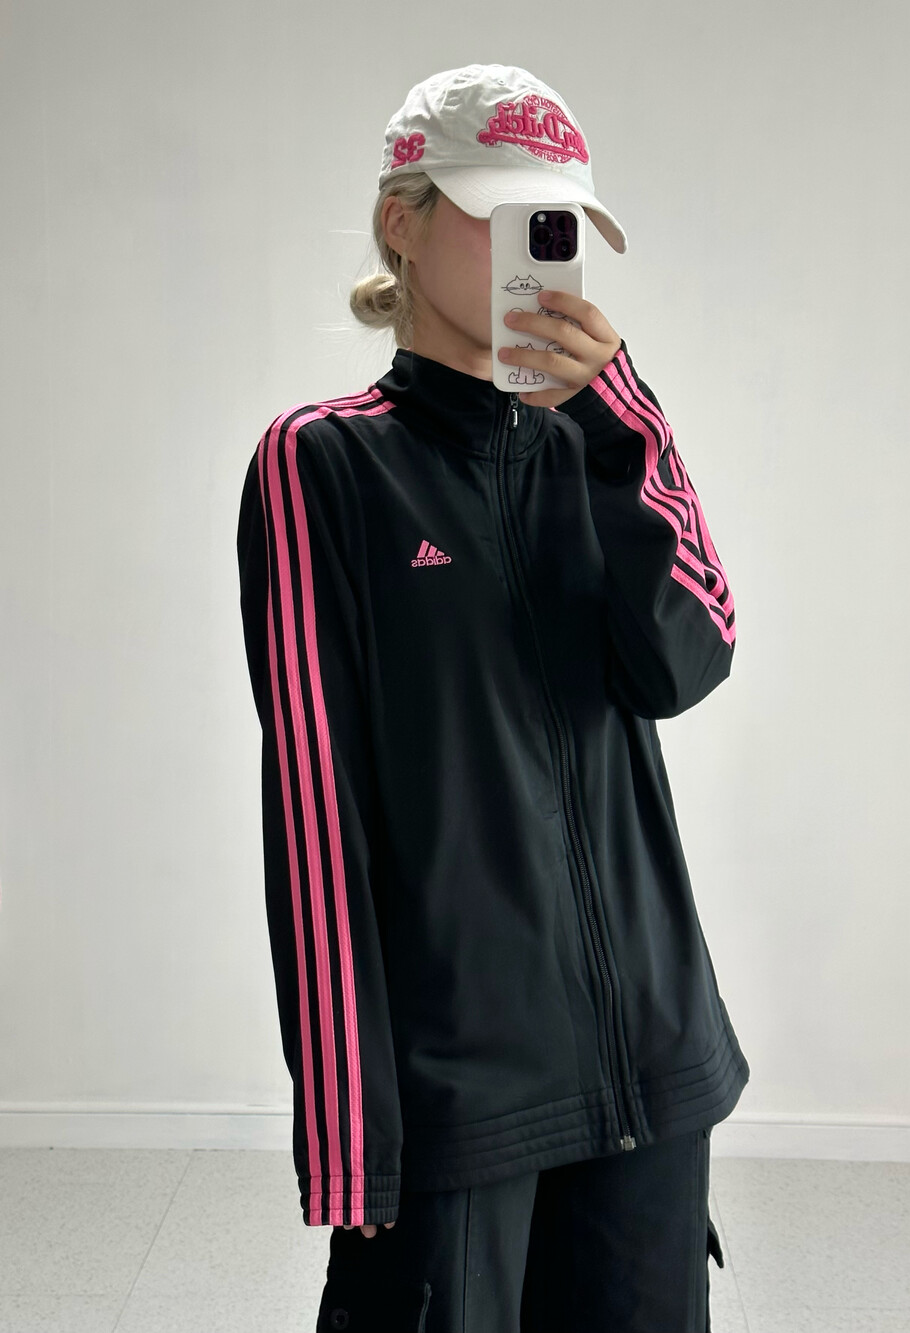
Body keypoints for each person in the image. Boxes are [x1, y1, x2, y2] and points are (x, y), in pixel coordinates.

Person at [236, 62, 747, 1332]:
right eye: (501, 214)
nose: (539, 246)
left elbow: (686, 662)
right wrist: (350, 1123)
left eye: (555, 221)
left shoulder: (598, 453)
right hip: (460, 1098)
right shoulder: (325, 463)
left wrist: (628, 425)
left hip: (652, 1068)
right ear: (400, 223)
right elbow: (315, 811)